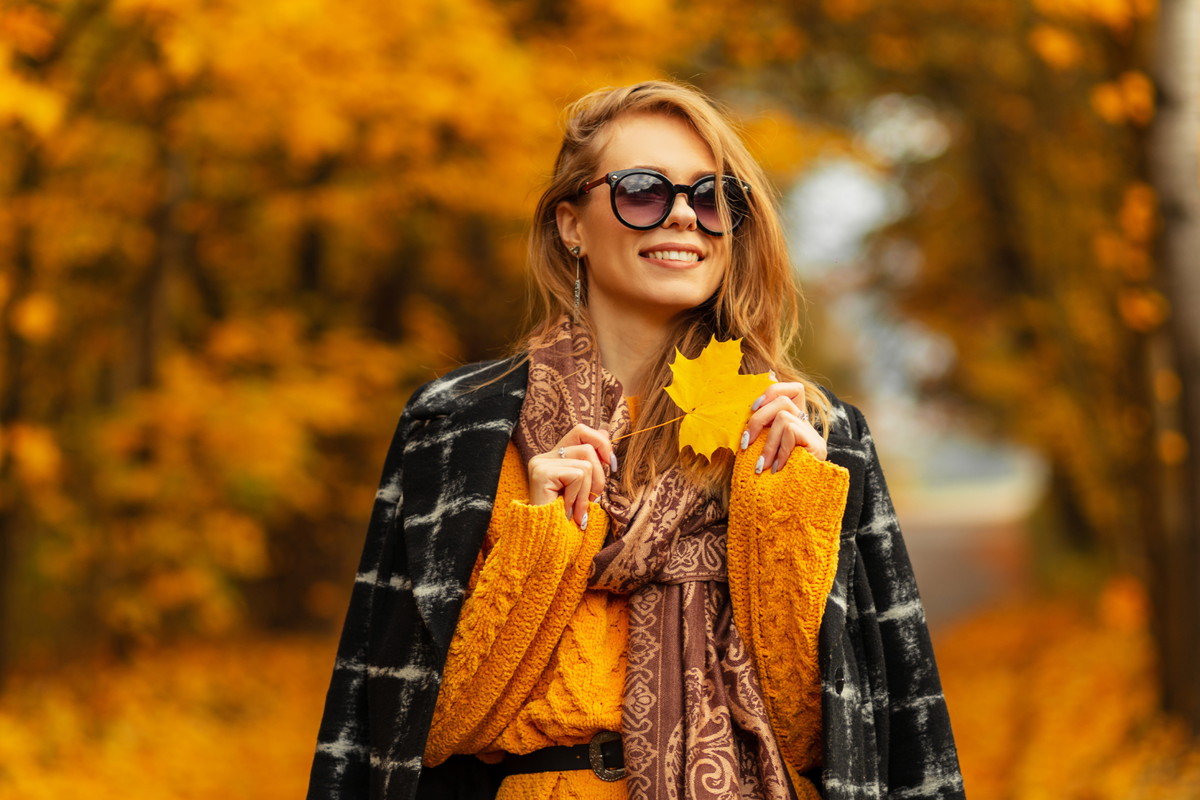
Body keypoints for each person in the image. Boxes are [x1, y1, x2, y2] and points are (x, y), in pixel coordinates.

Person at [307, 80, 965, 800]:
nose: (684, 215)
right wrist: (544, 543)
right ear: (571, 224)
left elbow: (826, 738)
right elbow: (419, 730)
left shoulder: (815, 439)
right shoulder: (457, 427)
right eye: (643, 191)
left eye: (713, 198)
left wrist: (780, 524)